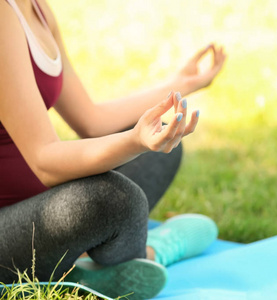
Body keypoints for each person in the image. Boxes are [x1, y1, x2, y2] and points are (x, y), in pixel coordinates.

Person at [0, 0, 226, 298]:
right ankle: (149, 254)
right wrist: (134, 141)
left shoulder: (36, 8)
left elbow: (92, 121)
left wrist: (179, 84)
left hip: (40, 208)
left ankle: (80, 268)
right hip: (9, 227)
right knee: (115, 199)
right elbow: (44, 160)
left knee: (157, 156)